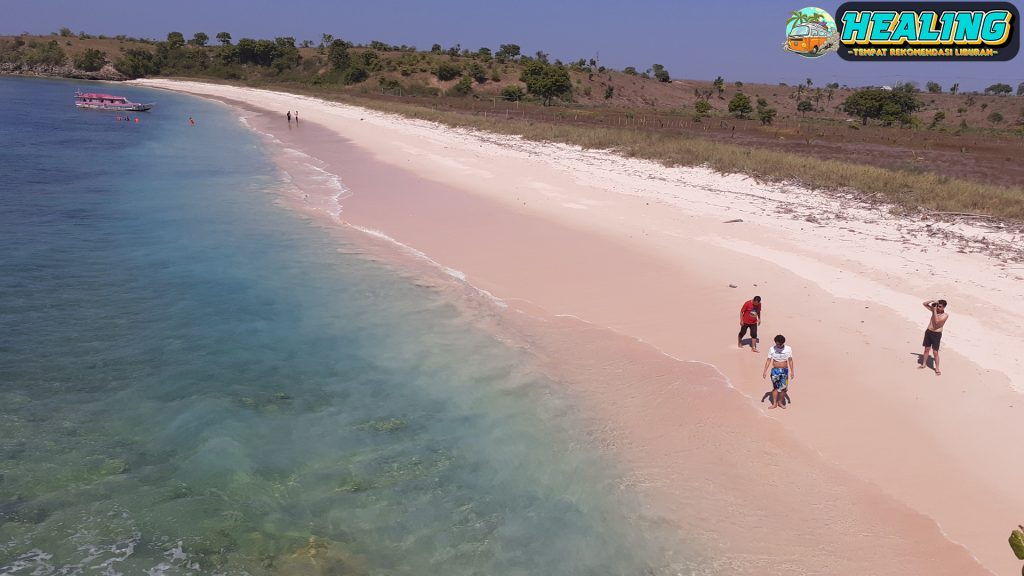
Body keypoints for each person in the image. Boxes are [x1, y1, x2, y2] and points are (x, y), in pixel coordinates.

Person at [762, 334, 794, 409]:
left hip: (784, 371)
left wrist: (792, 372)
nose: (777, 345)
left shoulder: (788, 349)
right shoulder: (772, 349)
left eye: (779, 344)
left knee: (783, 388)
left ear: (783, 343)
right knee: (775, 388)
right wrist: (765, 371)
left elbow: (790, 360)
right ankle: (774, 403)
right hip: (775, 371)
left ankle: (780, 402)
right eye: (776, 344)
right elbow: (768, 360)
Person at [919, 299, 949, 375]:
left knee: (935, 352)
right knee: (926, 349)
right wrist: (932, 300)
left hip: (936, 334)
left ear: (944, 307)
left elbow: (936, 321)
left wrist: (934, 310)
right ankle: (924, 364)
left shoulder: (945, 315)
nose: (938, 307)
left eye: (940, 306)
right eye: (937, 306)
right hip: (928, 332)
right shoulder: (934, 310)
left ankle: (937, 368)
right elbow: (924, 304)